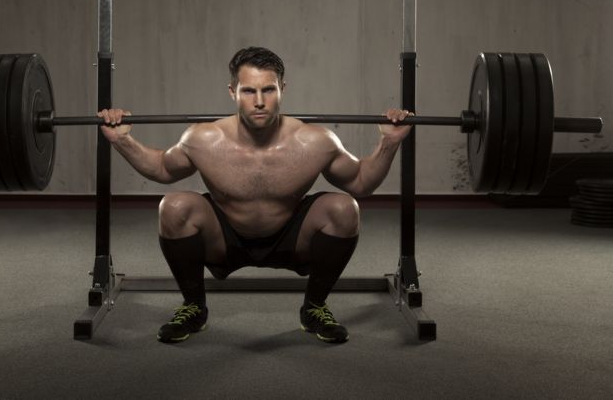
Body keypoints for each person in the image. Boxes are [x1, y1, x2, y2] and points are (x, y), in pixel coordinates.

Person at [97, 47, 413, 344]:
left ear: (282, 89)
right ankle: (194, 307)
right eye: (249, 91)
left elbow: (361, 182)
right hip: (225, 240)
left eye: (268, 90)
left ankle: (314, 308)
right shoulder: (203, 138)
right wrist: (121, 141)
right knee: (174, 207)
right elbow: (163, 168)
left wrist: (390, 143)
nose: (259, 101)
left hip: (290, 238)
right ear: (233, 92)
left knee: (345, 209)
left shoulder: (315, 140)